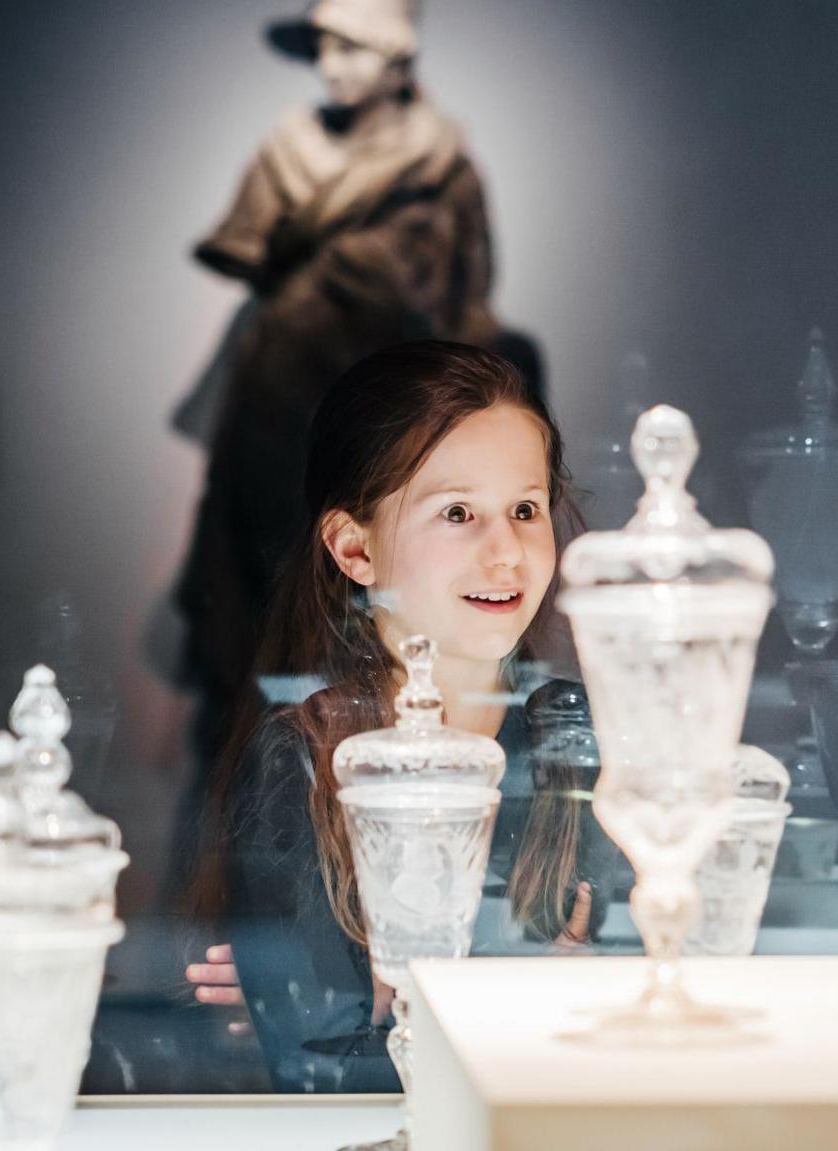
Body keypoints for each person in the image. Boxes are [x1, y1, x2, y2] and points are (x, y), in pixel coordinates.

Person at [182, 342, 608, 1092]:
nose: (506, 549)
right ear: (354, 548)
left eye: (525, 508)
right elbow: (324, 1059)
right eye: (457, 513)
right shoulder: (305, 761)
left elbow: (641, 1012)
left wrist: (410, 1004)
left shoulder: (576, 740)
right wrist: (536, 999)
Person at [165, 0, 515, 790]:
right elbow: (252, 254)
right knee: (260, 601)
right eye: (325, 46)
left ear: (397, 61)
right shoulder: (290, 149)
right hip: (280, 392)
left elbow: (470, 290)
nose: (332, 65)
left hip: (389, 408)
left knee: (387, 606)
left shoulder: (441, 161)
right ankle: (261, 806)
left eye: (352, 48)